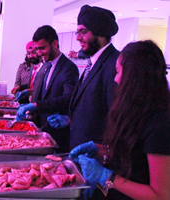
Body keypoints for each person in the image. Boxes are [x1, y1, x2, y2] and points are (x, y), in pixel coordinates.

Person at [70, 40, 170, 200]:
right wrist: (101, 149)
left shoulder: (160, 123)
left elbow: (161, 195)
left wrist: (108, 178)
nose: (116, 79)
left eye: (118, 72)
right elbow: (133, 153)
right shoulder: (136, 107)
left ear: (134, 77)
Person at [47, 5, 120, 150]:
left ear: (101, 33)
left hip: (97, 155)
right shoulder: (93, 61)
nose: (78, 38)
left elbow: (116, 118)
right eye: (77, 32)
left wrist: (106, 153)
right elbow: (92, 107)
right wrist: (70, 119)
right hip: (81, 149)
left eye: (84, 32)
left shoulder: (115, 64)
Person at [17, 25, 79, 152]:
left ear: (55, 44)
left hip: (57, 133)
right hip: (40, 129)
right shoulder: (45, 66)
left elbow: (68, 98)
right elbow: (44, 92)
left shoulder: (69, 68)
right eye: (37, 49)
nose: (39, 53)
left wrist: (35, 105)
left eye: (42, 48)